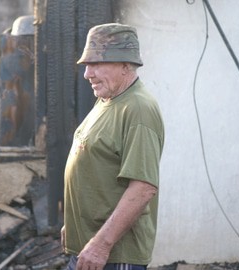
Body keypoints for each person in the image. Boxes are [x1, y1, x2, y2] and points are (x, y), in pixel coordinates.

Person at [61, 23, 165, 270]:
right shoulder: (107, 99)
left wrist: (101, 245)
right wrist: (73, 224)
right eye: (87, 65)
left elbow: (143, 188)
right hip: (89, 246)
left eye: (96, 64)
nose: (88, 74)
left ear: (126, 65)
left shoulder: (138, 109)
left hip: (113, 254)